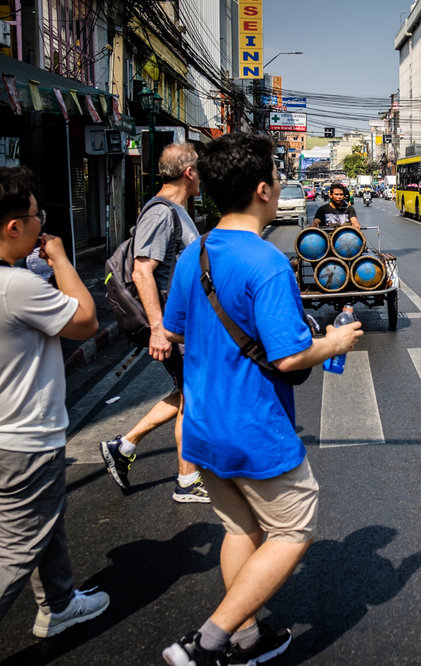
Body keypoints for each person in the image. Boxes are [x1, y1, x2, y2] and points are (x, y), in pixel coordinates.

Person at [160, 133, 363, 664]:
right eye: (275, 176)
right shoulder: (268, 262)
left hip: (203, 424)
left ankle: (246, 635)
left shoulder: (195, 254)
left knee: (240, 529)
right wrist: (335, 342)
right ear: (262, 189)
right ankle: (208, 640)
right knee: (294, 529)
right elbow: (289, 357)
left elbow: (176, 330)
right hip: (254, 428)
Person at [0, 167, 110, 637]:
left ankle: (60, 602)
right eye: (35, 215)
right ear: (13, 226)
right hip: (25, 436)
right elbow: (86, 320)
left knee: (46, 518)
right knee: (16, 550)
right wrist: (62, 259)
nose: (40, 223)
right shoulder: (16, 287)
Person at [99, 142, 209, 503]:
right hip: (173, 327)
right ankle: (186, 480)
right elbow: (142, 271)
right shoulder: (162, 213)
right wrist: (159, 329)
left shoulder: (177, 211)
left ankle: (124, 445)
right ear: (189, 173)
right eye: (200, 171)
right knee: (192, 398)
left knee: (187, 393)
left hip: (184, 324)